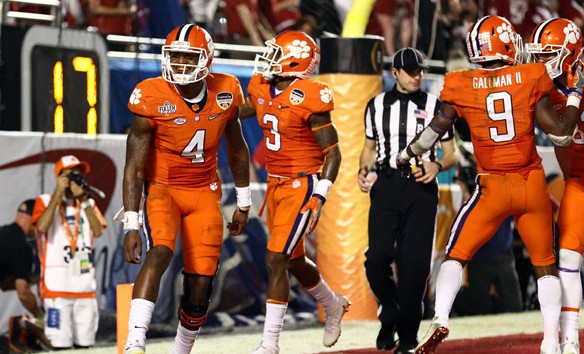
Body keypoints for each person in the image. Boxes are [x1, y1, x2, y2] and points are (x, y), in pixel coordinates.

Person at [396, 15, 584, 354]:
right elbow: (562, 132)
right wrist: (575, 94)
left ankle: (440, 317)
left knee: (456, 255)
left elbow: (436, 130)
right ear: (507, 43)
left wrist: (407, 152)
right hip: (530, 183)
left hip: (492, 186)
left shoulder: (460, 83)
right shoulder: (530, 76)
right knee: (545, 264)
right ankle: (551, 340)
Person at [120, 24, 252, 354]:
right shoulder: (150, 94)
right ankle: (135, 341)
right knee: (160, 252)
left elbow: (237, 149)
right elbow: (134, 166)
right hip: (162, 188)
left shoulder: (226, 90)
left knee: (201, 282)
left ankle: (181, 350)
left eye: (186, 56)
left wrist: (244, 202)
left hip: (204, 191)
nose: (178, 64)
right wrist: (131, 223)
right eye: (174, 56)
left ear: (206, 60)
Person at [239, 30, 349, 354]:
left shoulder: (310, 96)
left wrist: (321, 194)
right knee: (296, 261)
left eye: (277, 53)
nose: (269, 59)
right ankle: (333, 304)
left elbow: (333, 153)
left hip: (304, 183)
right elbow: (251, 107)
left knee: (276, 258)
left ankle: (269, 343)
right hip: (275, 185)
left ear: (295, 60)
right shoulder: (262, 86)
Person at [357, 47, 457, 354]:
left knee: (415, 266)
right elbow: (370, 147)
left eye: (420, 71)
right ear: (395, 72)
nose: (417, 76)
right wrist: (363, 169)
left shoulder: (435, 105)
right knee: (377, 258)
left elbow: (452, 153)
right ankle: (389, 313)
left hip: (420, 188)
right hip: (386, 185)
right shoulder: (375, 105)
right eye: (411, 71)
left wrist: (437, 165)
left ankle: (408, 336)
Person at [528, 17, 584, 354]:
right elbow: (562, 143)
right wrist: (572, 179)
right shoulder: (540, 91)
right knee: (567, 256)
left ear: (569, 53)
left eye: (548, 54)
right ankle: (570, 337)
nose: (541, 62)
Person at [32, 155, 107, 350]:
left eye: (78, 175)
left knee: (86, 345)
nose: (75, 179)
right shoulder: (45, 200)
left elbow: (98, 230)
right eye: (70, 175)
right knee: (60, 345)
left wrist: (84, 200)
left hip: (84, 287)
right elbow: (41, 227)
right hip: (56, 288)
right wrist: (58, 194)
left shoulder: (87, 204)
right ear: (59, 177)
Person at [0, 199, 43, 319]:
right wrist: (40, 316)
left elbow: (4, 285)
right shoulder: (21, 245)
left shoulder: (4, 232)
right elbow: (23, 294)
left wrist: (31, 280)